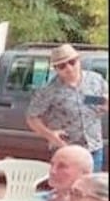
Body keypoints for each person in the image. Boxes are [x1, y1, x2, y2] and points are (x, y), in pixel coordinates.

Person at [26, 43, 109, 171]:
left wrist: (105, 104)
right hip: (66, 149)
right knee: (66, 188)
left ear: (79, 60)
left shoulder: (96, 80)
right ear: (56, 69)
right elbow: (32, 118)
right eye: (62, 66)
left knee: (91, 188)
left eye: (72, 62)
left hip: (93, 149)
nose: (69, 68)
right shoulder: (49, 90)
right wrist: (50, 135)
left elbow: (102, 102)